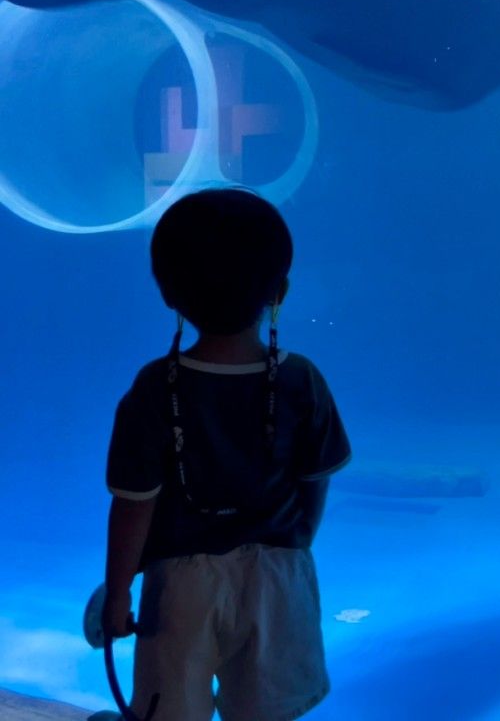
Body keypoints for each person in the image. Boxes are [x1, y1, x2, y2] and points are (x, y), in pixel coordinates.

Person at [103, 186, 351, 721]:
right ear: (279, 290)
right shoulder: (301, 380)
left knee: (169, 711)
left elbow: (133, 504)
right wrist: (294, 542)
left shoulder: (155, 388)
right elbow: (315, 482)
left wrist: (118, 594)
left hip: (180, 587)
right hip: (279, 581)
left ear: (168, 294)